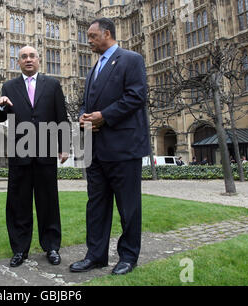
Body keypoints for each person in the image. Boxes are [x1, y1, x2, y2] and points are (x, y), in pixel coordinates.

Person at [69, 18, 149, 275]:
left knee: (128, 206)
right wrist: (83, 117)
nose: (88, 41)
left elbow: (136, 96)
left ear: (107, 33)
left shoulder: (131, 59)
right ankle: (96, 255)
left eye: (92, 36)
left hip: (123, 147)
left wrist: (105, 116)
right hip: (97, 149)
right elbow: (87, 103)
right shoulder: (94, 68)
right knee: (96, 205)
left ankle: (128, 256)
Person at [0, 45, 69, 268]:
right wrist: (0, 106)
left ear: (39, 60)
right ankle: (19, 249)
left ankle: (52, 247)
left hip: (45, 153)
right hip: (20, 154)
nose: (28, 59)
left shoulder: (52, 85)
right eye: (23, 57)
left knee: (49, 202)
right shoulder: (9, 86)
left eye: (32, 56)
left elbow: (61, 117)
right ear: (18, 62)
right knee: (19, 203)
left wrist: (63, 146)